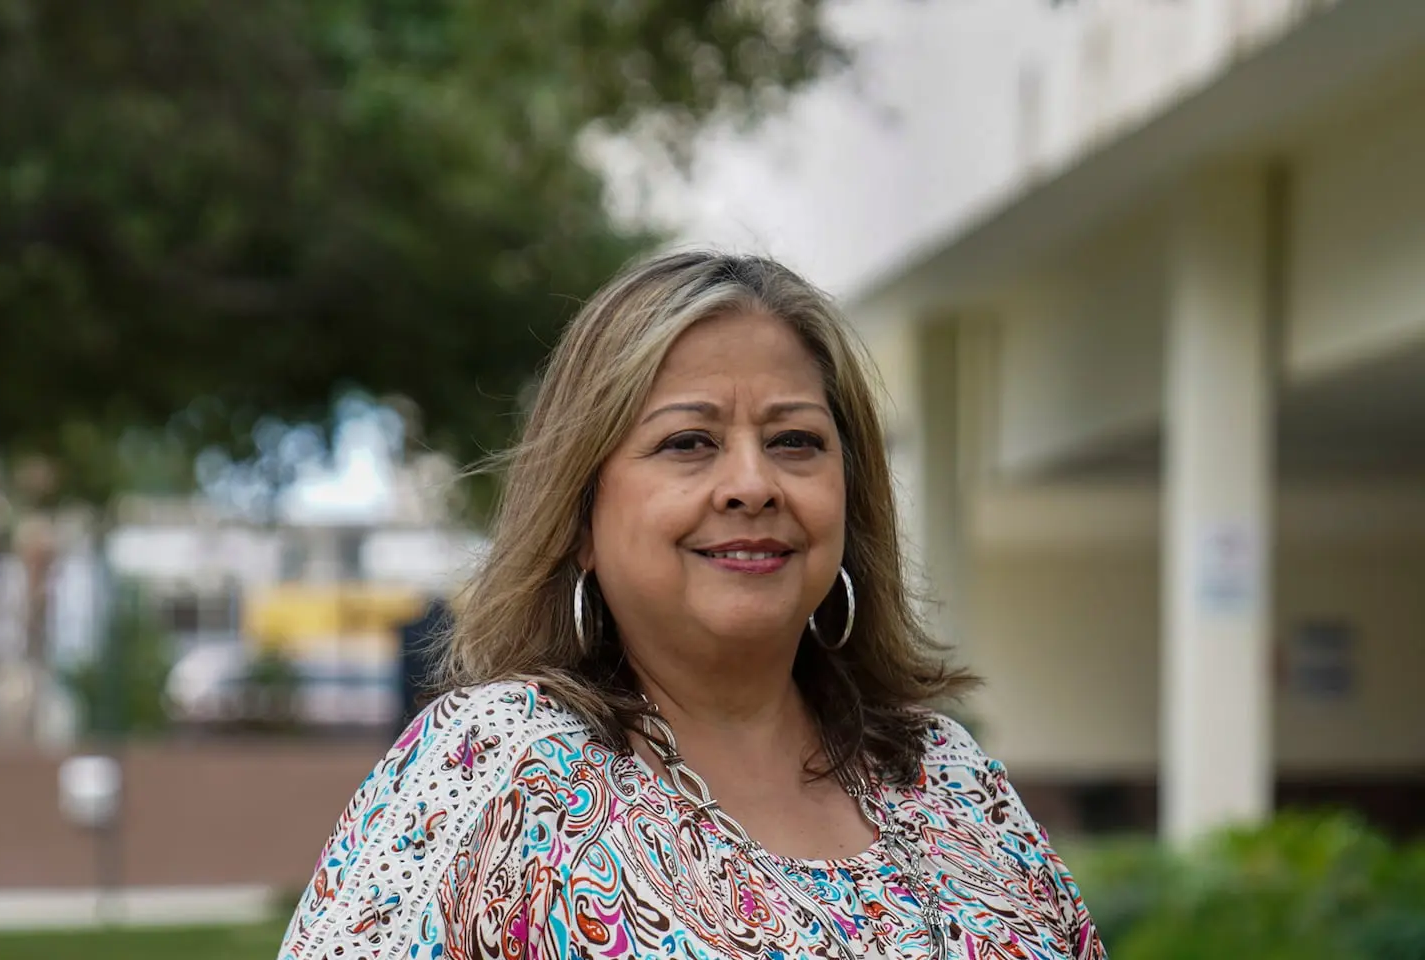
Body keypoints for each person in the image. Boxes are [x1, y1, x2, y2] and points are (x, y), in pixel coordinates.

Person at [277, 251, 1107, 960]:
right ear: (581, 515)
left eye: (795, 442)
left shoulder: (945, 776)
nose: (752, 484)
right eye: (688, 443)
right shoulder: (492, 772)